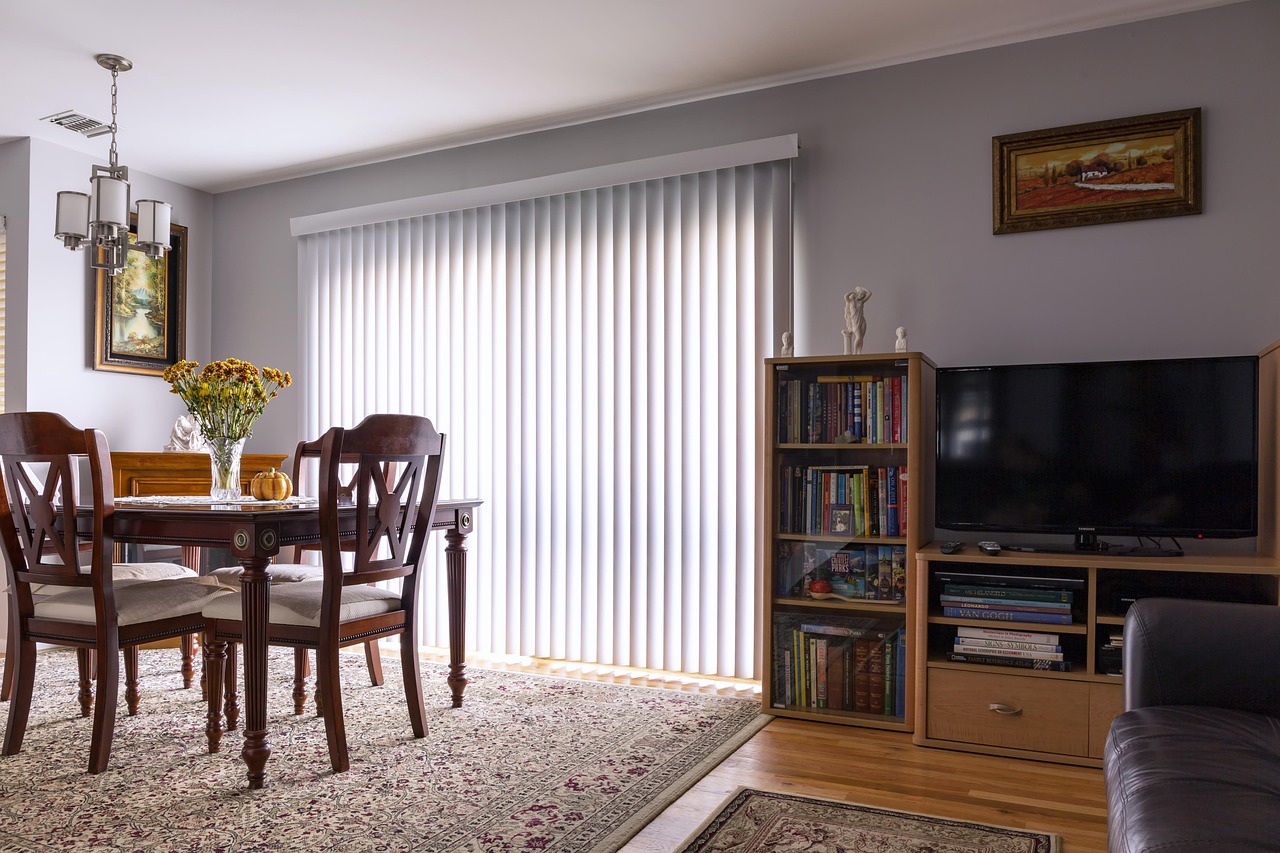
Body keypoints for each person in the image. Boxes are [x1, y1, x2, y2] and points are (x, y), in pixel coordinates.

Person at [844, 287, 871, 354]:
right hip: (854, 321)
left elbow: (869, 293)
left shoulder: (861, 301)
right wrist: (854, 292)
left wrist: (861, 288)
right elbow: (845, 296)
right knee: (858, 337)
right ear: (857, 294)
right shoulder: (850, 301)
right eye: (861, 294)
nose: (862, 296)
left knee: (861, 338)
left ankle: (859, 353)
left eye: (863, 295)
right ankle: (855, 352)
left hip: (862, 320)